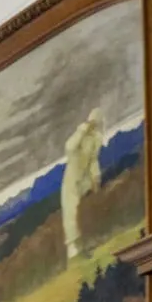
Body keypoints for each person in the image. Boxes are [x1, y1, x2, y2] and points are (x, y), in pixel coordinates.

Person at [63, 107, 105, 261]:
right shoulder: (80, 134)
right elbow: (69, 147)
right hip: (72, 179)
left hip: (85, 179)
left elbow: (93, 159)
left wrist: (96, 177)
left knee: (85, 211)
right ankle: (74, 249)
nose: (94, 124)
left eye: (96, 122)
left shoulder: (96, 138)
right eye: (92, 121)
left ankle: (88, 244)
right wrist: (82, 131)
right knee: (71, 212)